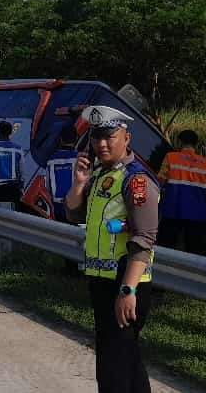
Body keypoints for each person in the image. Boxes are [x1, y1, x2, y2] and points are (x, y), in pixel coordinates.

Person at [66, 105, 159, 393]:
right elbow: (74, 214)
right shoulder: (100, 176)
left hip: (125, 284)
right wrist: (79, 184)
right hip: (102, 282)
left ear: (126, 138)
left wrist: (127, 290)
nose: (102, 144)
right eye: (96, 138)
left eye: (110, 137)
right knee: (126, 360)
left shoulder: (137, 179)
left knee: (112, 369)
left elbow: (145, 237)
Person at [156, 129, 206, 255]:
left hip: (173, 209)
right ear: (195, 144)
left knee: (165, 248)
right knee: (194, 251)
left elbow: (160, 181)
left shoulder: (171, 157)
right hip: (197, 213)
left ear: (180, 142)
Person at [46, 125, 80, 222]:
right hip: (75, 205)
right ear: (76, 139)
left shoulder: (51, 159)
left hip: (57, 205)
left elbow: (48, 185)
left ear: (60, 139)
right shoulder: (79, 158)